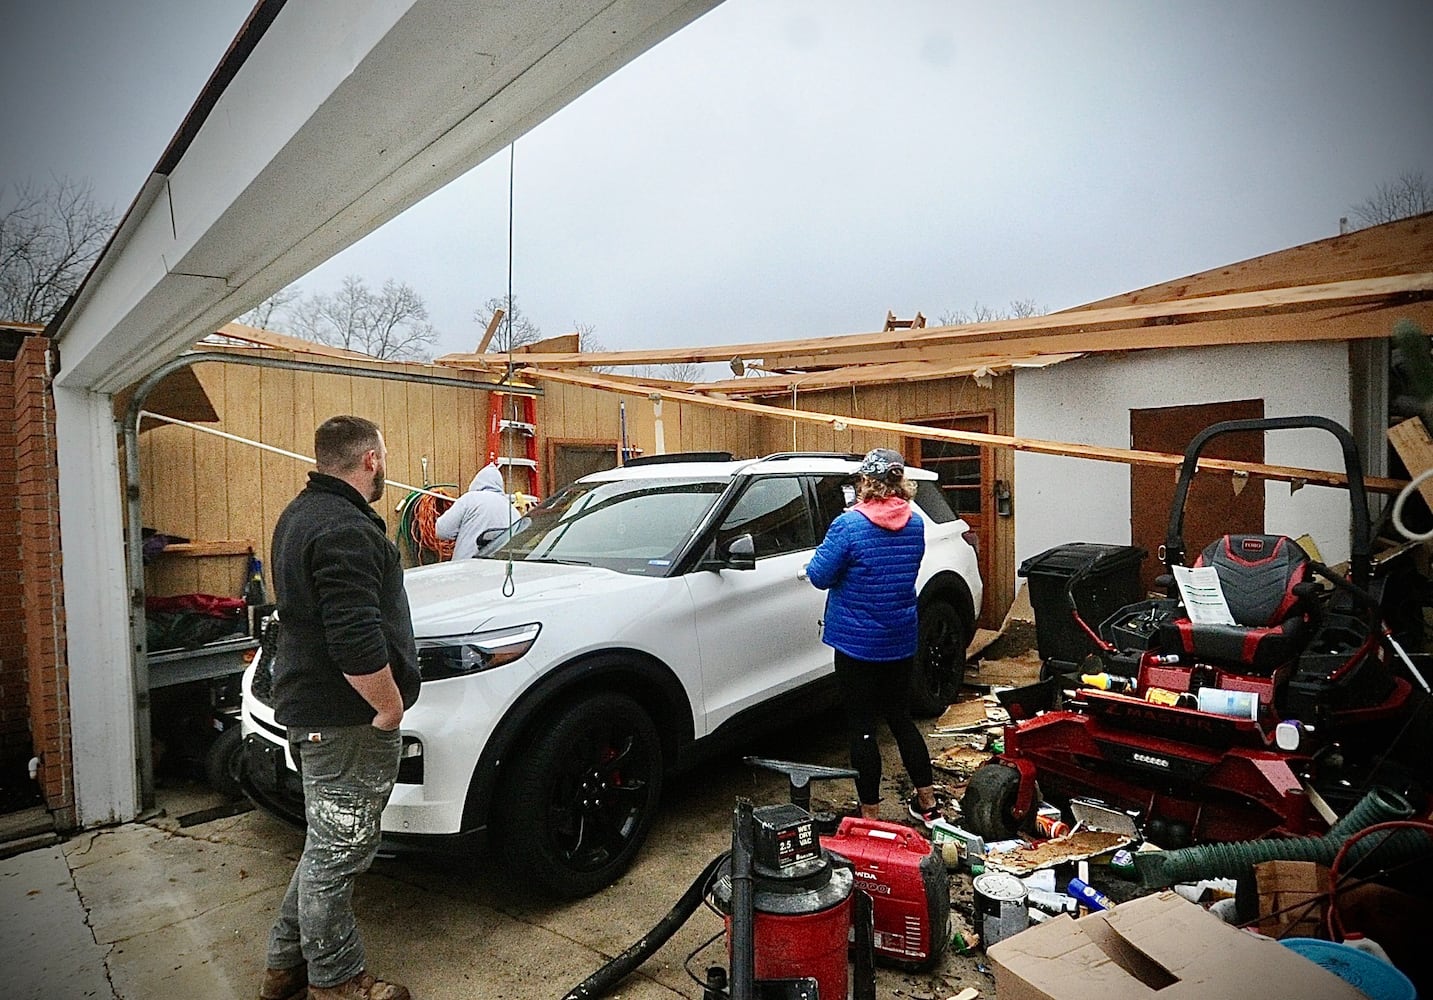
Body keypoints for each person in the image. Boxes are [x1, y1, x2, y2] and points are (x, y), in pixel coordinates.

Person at [259, 415, 420, 1000]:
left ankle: (284, 970)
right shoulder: (345, 529)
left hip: (317, 712)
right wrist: (388, 708)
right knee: (340, 852)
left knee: (327, 844)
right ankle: (337, 981)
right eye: (386, 454)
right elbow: (353, 636)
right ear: (370, 460)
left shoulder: (300, 514)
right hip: (345, 718)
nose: (386, 464)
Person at [806, 447, 941, 827]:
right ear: (900, 483)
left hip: (857, 645)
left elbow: (819, 575)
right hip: (899, 639)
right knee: (901, 720)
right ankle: (928, 805)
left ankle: (870, 816)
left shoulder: (849, 526)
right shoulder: (914, 523)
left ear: (866, 482)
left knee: (863, 728)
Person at [434, 462, 520, 559]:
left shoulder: (469, 499)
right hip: (499, 569)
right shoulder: (513, 511)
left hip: (467, 567)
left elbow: (442, 530)